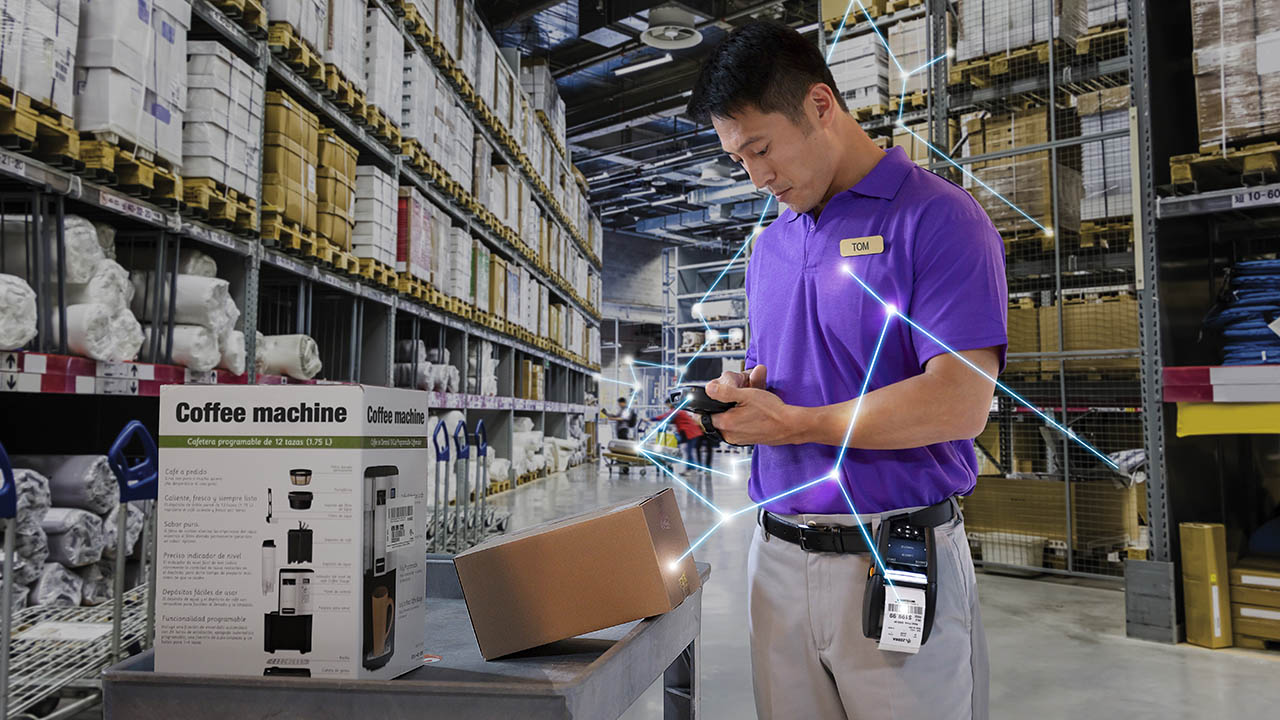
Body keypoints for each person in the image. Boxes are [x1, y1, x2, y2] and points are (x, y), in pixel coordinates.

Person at [688, 21, 1006, 720]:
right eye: (738, 159)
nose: (757, 176)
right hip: (776, 560)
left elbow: (960, 403)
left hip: (896, 556)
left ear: (822, 107)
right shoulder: (769, 248)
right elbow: (789, 370)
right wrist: (746, 399)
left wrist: (797, 424)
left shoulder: (939, 220)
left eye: (762, 149)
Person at [652, 400, 704, 472]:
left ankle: (691, 468)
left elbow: (665, 417)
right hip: (692, 432)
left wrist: (651, 419)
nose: (667, 406)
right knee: (687, 450)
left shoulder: (676, 411)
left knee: (688, 450)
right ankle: (694, 467)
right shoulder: (679, 411)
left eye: (667, 404)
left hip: (691, 433)